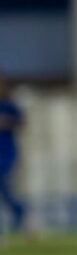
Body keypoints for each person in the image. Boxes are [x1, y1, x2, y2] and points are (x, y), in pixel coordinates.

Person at [0, 74, 26, 235]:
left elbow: (22, 123)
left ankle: (21, 217)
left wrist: (7, 122)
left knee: (5, 188)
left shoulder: (10, 105)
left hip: (7, 154)